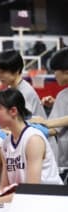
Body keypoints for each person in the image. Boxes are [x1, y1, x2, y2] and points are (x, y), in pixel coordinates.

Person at [33, 48, 68, 183]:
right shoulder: (62, 95)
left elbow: (52, 126)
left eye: (55, 72)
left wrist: (46, 123)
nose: (54, 76)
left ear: (65, 71)